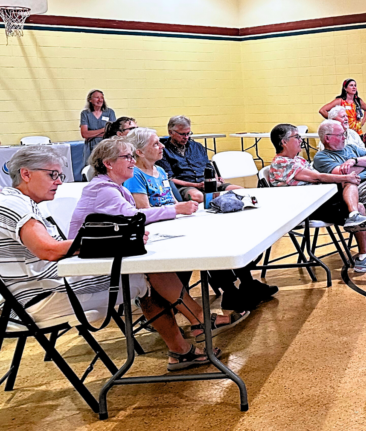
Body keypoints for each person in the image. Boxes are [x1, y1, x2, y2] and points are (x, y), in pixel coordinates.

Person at [0, 146, 225, 372]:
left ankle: (190, 334)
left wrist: (117, 239)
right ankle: (191, 333)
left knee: (146, 269)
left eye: (60, 175)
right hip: (39, 298)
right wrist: (116, 240)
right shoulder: (13, 204)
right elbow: (48, 250)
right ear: (26, 174)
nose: (59, 182)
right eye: (52, 175)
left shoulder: (23, 203)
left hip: (46, 286)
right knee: (147, 273)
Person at [70, 140, 249, 360]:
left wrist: (135, 231)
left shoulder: (112, 187)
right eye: (126, 157)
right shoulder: (103, 190)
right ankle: (194, 327)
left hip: (104, 255)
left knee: (156, 272)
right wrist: (174, 210)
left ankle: (190, 334)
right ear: (108, 163)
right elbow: (135, 216)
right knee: (154, 274)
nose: (132, 161)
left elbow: (127, 221)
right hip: (90, 265)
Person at [124, 128, 277, 310]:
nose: (161, 147)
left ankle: (247, 282)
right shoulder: (135, 176)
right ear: (139, 152)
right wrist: (176, 209)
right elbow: (144, 211)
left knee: (221, 233)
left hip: (172, 222)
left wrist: (183, 209)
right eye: (155, 144)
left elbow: (171, 200)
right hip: (157, 230)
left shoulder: (159, 171)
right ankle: (230, 290)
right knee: (207, 243)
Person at [268, 124, 366, 275]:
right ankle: (362, 253)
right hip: (305, 208)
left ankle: (354, 218)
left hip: (317, 201)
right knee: (357, 199)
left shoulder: (298, 160)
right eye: (296, 137)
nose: (300, 140)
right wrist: (346, 176)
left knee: (354, 193)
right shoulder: (281, 163)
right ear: (283, 142)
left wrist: (349, 173)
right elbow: (317, 177)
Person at [310, 120, 366, 273]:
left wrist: (354, 161)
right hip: (359, 188)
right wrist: (365, 165)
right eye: (340, 135)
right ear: (327, 138)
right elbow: (344, 175)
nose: (344, 137)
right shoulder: (321, 157)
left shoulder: (351, 148)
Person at [157, 115, 239, 203]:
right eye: (182, 134)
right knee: (197, 196)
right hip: (185, 186)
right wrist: (196, 185)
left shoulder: (197, 146)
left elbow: (209, 167)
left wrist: (215, 179)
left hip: (207, 182)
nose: (186, 137)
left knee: (239, 190)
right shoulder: (163, 151)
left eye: (188, 133)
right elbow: (169, 178)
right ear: (170, 132)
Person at [80, 89, 117, 160]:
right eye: (97, 97)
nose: (100, 100)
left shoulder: (110, 112)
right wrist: (103, 130)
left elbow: (113, 132)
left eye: (102, 98)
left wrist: (91, 135)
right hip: (91, 148)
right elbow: (84, 134)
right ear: (90, 100)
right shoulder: (85, 114)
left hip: (106, 146)